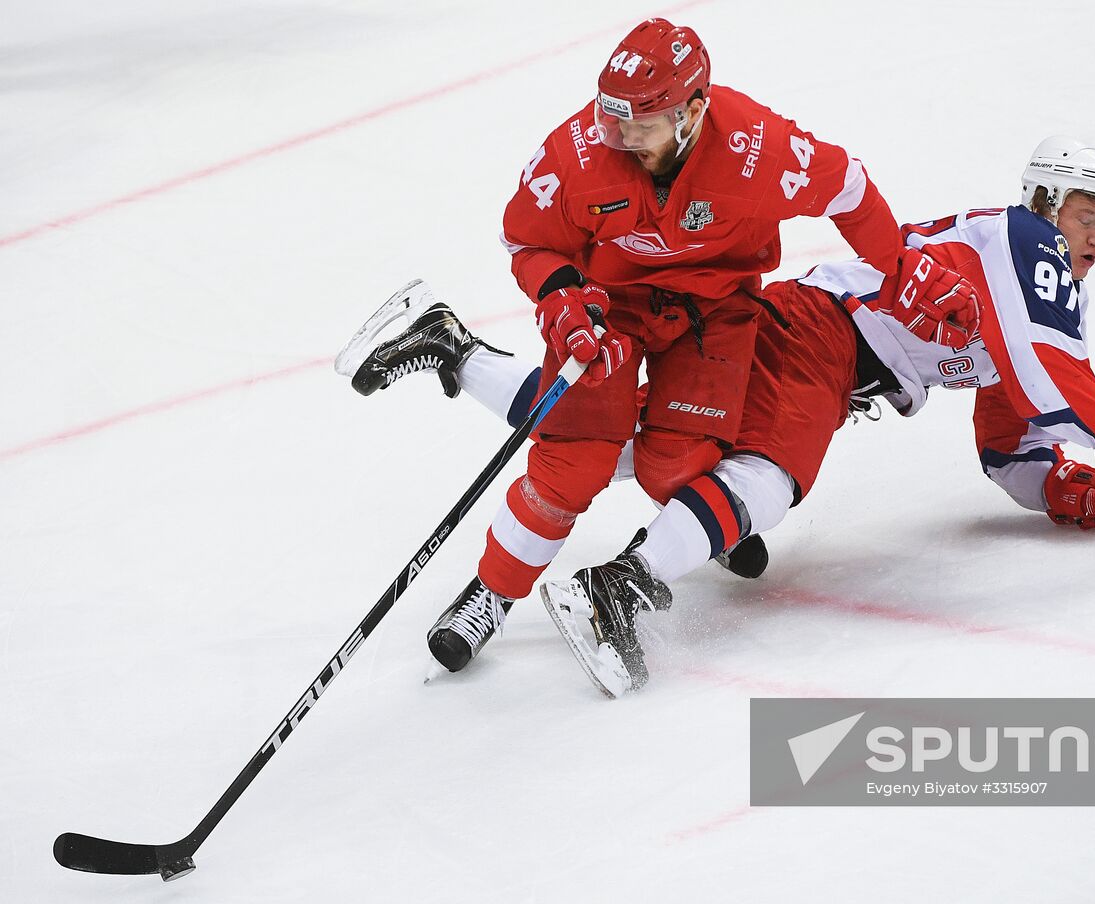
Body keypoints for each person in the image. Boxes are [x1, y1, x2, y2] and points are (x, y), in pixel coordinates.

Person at [348, 136, 1095, 694]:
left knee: (622, 441)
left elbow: (1007, 444)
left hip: (808, 329)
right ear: (1044, 200)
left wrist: (1067, 489)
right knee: (773, 476)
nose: (1094, 239)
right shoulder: (1028, 247)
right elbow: (1057, 382)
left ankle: (452, 348)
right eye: (1085, 216)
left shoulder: (1030, 305)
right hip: (822, 336)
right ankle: (623, 587)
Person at [344, 18, 925, 674]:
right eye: (610, 117)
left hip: (717, 313)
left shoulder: (759, 149)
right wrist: (564, 304)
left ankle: (691, 515)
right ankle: (492, 593)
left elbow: (848, 187)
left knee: (676, 466)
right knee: (574, 461)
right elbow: (528, 239)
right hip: (608, 308)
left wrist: (906, 273)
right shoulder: (581, 148)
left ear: (693, 113)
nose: (617, 136)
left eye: (639, 125)